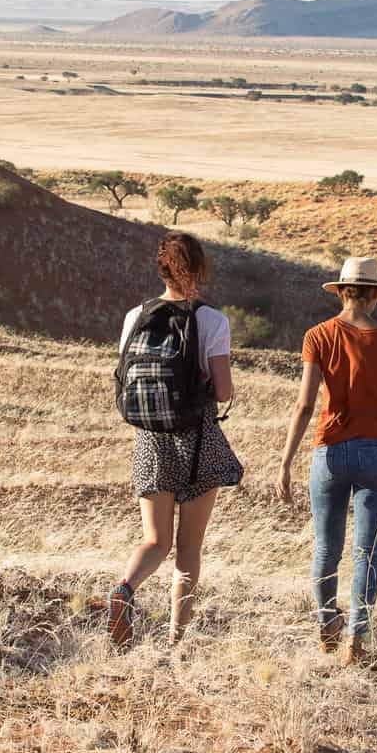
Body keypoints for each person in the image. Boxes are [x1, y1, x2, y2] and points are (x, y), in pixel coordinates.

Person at [275, 258, 377, 664]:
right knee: (367, 552)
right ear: (375, 296)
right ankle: (357, 638)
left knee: (326, 549)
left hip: (330, 451)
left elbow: (305, 404)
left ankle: (327, 625)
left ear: (342, 291)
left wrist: (286, 460)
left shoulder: (318, 336)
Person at [107, 232, 242, 649]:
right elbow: (222, 392)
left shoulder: (136, 316)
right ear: (200, 269)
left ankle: (125, 590)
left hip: (150, 440)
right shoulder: (211, 320)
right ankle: (174, 640)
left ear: (160, 268)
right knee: (188, 550)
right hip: (196, 442)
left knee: (155, 540)